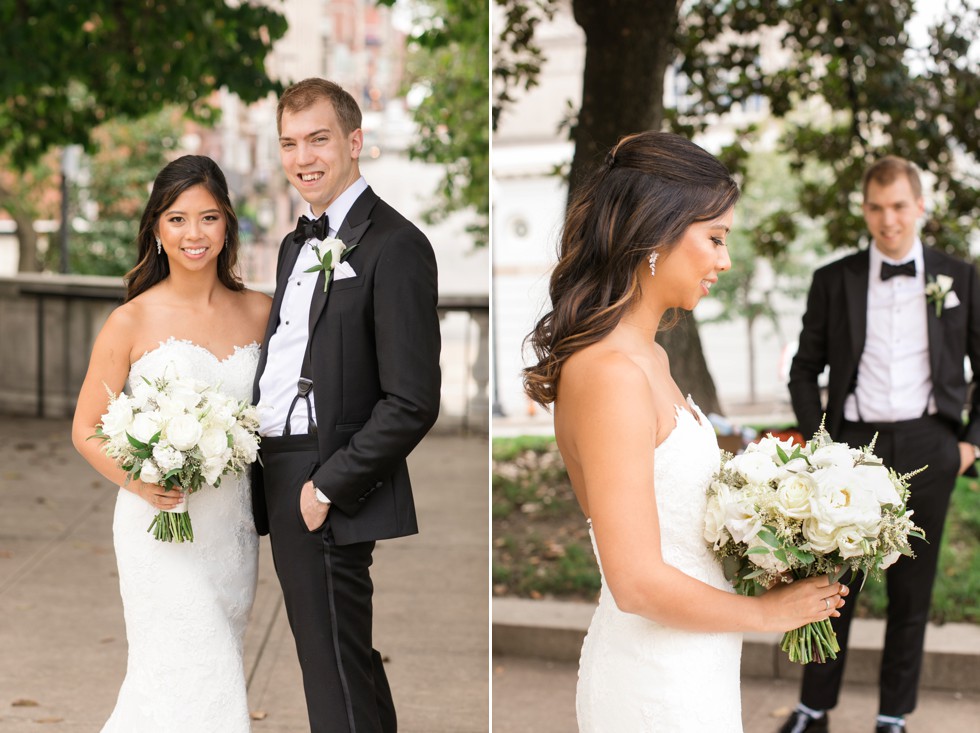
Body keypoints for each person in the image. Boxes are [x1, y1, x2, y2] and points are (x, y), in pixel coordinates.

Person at [523, 130, 848, 732]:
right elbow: (637, 581)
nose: (725, 260)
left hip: (697, 664)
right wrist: (770, 613)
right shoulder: (611, 372)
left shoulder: (651, 359)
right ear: (654, 233)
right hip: (652, 681)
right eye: (715, 238)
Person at [251, 78, 441, 733]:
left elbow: (413, 400)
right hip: (278, 467)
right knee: (340, 657)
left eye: (318, 139)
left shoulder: (396, 244)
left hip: (324, 475)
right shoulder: (292, 245)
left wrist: (326, 485)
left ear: (354, 142)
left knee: (330, 672)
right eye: (290, 143)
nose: (303, 156)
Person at [71, 155, 272, 731]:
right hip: (156, 531)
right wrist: (141, 478)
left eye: (208, 218)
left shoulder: (261, 313)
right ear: (157, 228)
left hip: (229, 531)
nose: (194, 234)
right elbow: (86, 427)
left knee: (196, 672)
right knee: (196, 669)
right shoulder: (130, 322)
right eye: (178, 219)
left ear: (227, 225)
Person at [783, 156, 980, 733]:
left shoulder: (959, 277)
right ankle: (813, 708)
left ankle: (893, 715)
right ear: (864, 209)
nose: (888, 219)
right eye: (876, 207)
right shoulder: (833, 279)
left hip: (930, 444)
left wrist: (969, 445)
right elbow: (803, 369)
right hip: (852, 450)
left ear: (920, 206)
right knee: (830, 584)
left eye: (898, 206)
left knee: (910, 593)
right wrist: (818, 445)